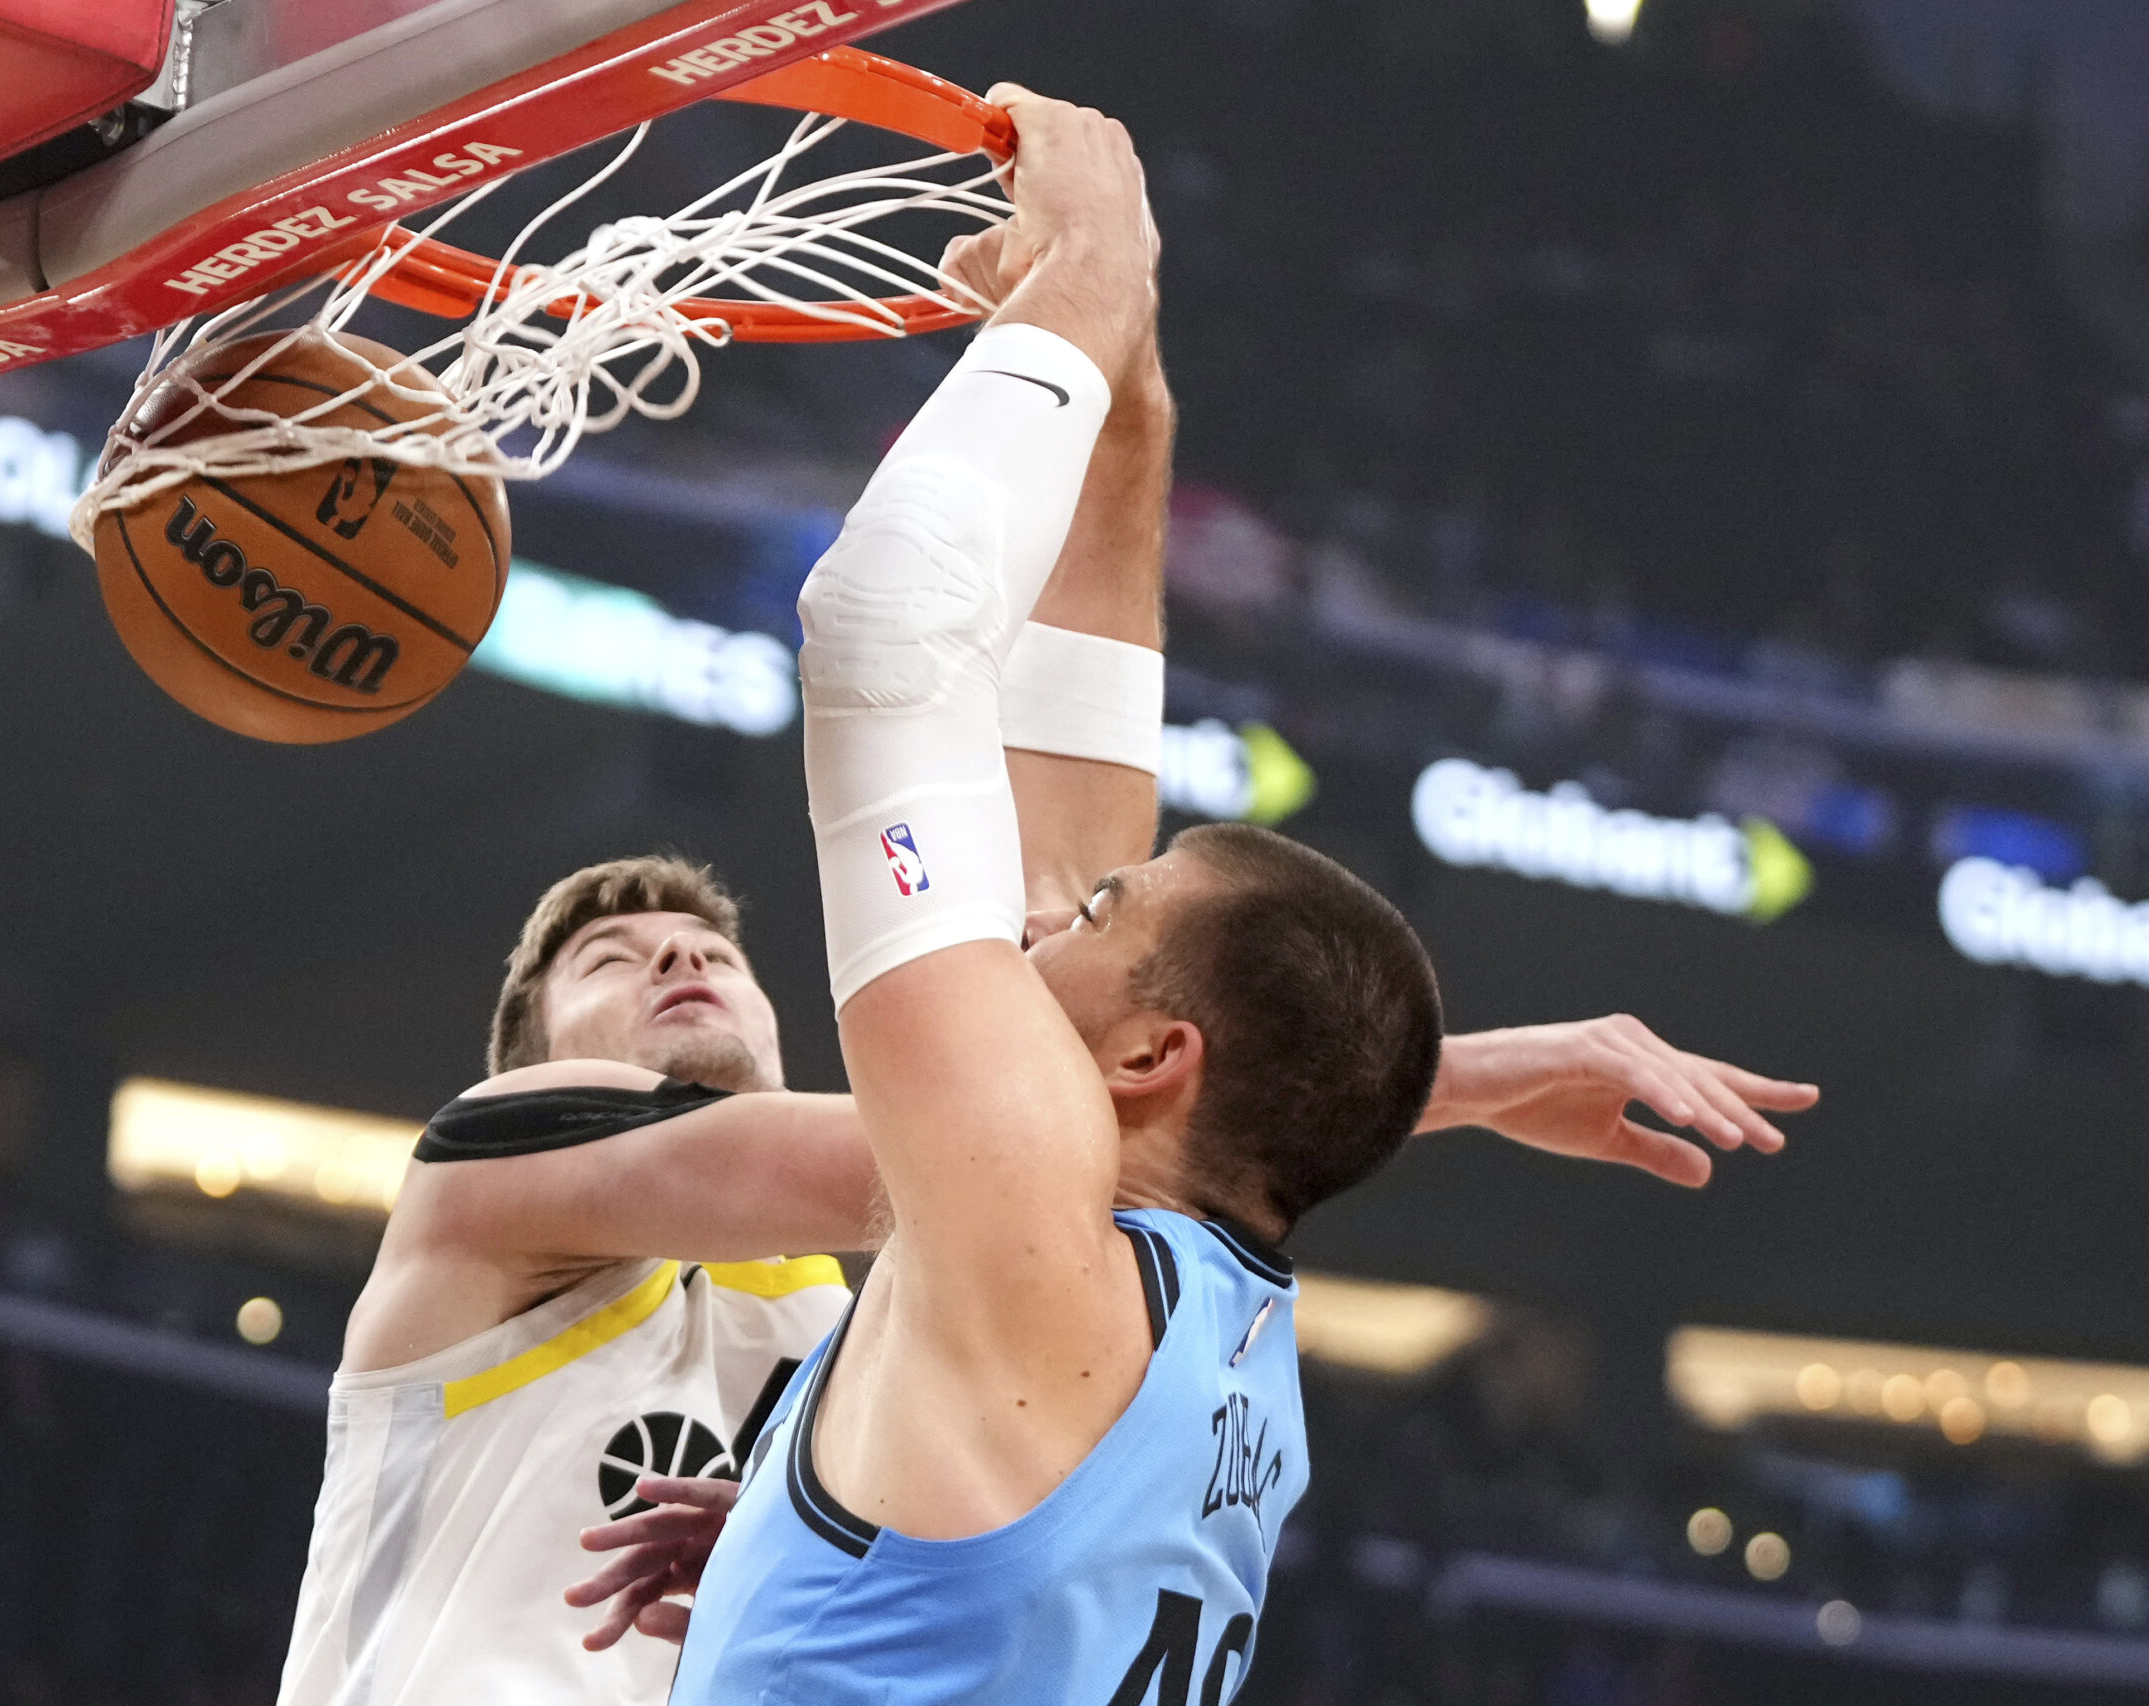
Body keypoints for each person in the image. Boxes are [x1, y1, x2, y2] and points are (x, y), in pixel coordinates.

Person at [273, 94, 1815, 1706]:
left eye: (1090, 926)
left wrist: (1093, 276)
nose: (1039, 913)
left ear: (1153, 1059)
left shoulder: (1005, 1243)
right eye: (614, 953)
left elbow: (882, 636)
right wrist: (1128, 392)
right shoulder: (1198, 1329)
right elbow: (1093, 1001)